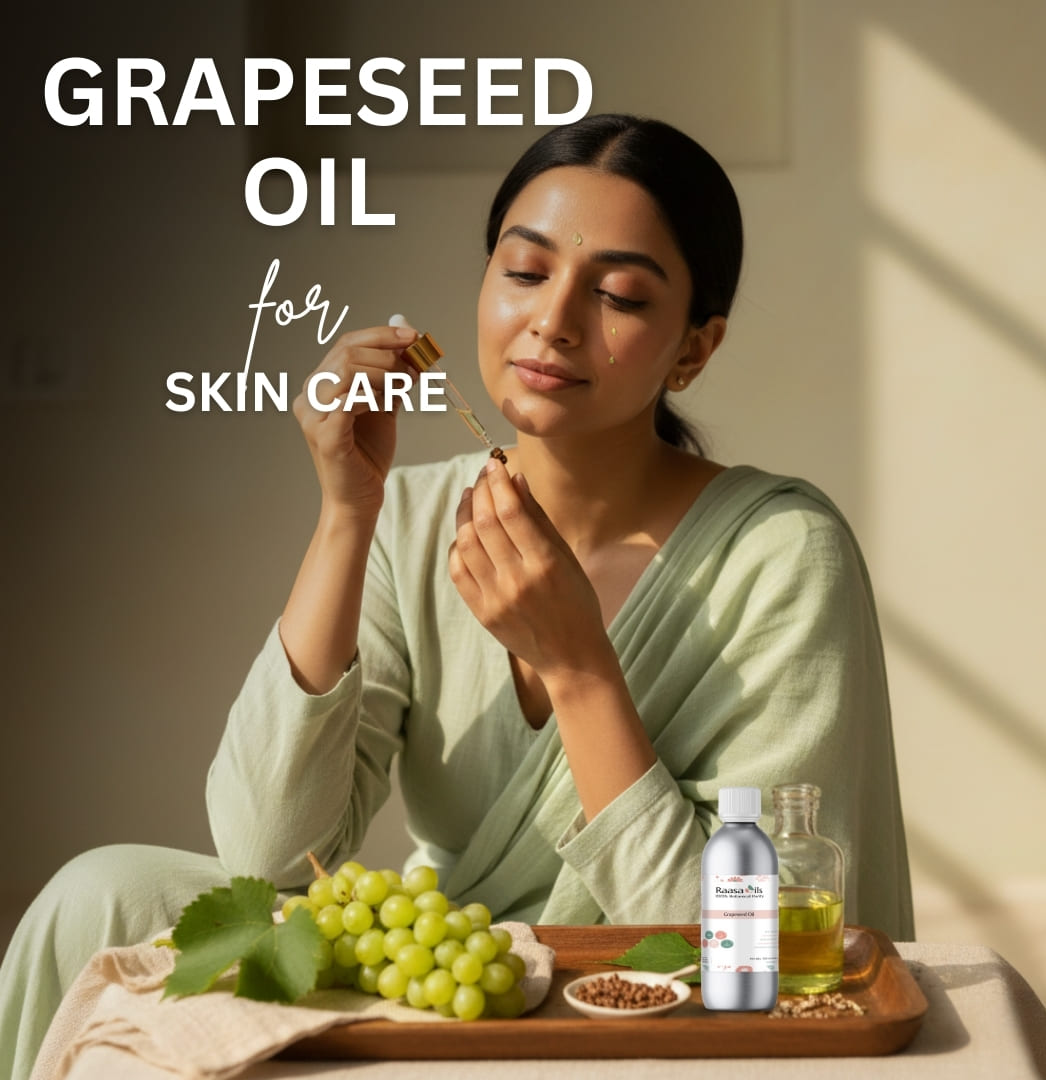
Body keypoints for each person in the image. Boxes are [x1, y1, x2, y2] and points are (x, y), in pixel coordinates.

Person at [0, 114, 914, 1078]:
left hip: (656, 1019)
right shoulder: (418, 515)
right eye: (524, 273)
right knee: (98, 895)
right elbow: (267, 855)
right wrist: (348, 516)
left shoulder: (783, 553)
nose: (553, 321)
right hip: (457, 980)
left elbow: (748, 958)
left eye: (619, 295)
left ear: (694, 347)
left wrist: (576, 663)